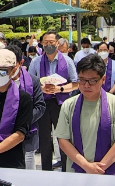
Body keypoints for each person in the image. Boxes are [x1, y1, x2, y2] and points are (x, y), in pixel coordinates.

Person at [55, 55, 115, 175]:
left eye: (92, 80)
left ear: (103, 79)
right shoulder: (68, 105)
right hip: (77, 171)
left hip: (110, 172)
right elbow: (63, 140)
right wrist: (86, 166)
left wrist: (98, 168)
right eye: (82, 80)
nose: (86, 85)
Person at [28, 30, 78, 171]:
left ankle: (66, 167)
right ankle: (46, 169)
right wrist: (41, 88)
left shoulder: (67, 61)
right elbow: (30, 82)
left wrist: (60, 89)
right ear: (42, 44)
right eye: (46, 43)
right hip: (43, 103)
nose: (49, 45)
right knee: (44, 138)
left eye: (51, 42)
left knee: (63, 136)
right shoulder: (36, 61)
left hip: (61, 102)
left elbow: (75, 83)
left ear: (57, 43)